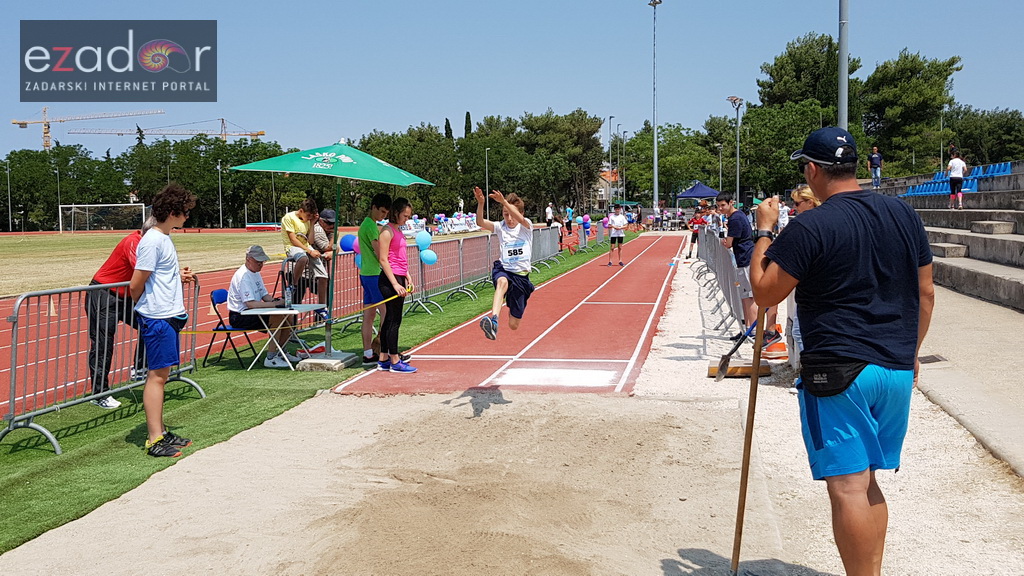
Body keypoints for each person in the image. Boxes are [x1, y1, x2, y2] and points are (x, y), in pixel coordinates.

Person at [750, 126, 934, 576]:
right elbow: (926, 293)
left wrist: (764, 231)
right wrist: (911, 350)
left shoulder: (813, 224)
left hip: (838, 368)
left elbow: (764, 292)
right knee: (867, 483)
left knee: (848, 487)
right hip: (893, 366)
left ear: (813, 170)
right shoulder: (903, 215)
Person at [129, 184, 197, 458]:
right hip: (157, 317)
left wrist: (176, 278)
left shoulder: (164, 239)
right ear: (172, 212)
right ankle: (154, 438)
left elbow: (156, 277)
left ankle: (161, 431)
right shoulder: (153, 240)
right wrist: (148, 307)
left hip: (167, 315)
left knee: (163, 376)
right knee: (156, 378)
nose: (187, 217)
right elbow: (136, 284)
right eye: (185, 212)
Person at [86, 218, 156, 409]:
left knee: (150, 323)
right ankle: (99, 393)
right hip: (103, 294)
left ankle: (140, 368)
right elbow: (142, 271)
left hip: (124, 296)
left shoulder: (149, 244)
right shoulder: (133, 242)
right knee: (103, 344)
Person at [716, 192, 782, 350]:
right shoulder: (734, 218)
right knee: (745, 295)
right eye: (718, 206)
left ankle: (752, 332)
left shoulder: (736, 218)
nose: (720, 209)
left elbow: (729, 243)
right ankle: (746, 328)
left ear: (731, 203)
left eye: (723, 205)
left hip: (746, 259)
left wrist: (724, 241)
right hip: (742, 258)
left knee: (749, 295)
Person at [474, 186, 534, 340]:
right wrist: (481, 203)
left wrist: (505, 202)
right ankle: (493, 320)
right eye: (505, 214)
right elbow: (480, 222)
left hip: (521, 277)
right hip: (504, 269)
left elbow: (519, 219)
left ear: (521, 214)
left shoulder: (526, 226)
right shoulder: (500, 227)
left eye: (511, 215)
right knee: (501, 282)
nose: (508, 218)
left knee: (514, 325)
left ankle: (510, 304)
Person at [227, 245, 300, 369]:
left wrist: (279, 302)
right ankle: (271, 358)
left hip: (251, 311)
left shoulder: (254, 272)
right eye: (258, 262)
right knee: (277, 318)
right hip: (239, 316)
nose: (260, 265)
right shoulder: (243, 276)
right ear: (248, 259)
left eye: (262, 262)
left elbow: (264, 295)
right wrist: (275, 304)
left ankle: (281, 352)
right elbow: (250, 304)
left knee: (288, 315)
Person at [376, 197, 417, 373]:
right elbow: (384, 259)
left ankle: (383, 357)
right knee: (394, 320)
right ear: (396, 212)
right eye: (405, 216)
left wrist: (408, 276)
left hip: (399, 276)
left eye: (408, 216)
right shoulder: (387, 231)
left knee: (390, 319)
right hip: (389, 280)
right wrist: (395, 284)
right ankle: (394, 360)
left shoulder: (397, 230)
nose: (406, 219)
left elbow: (399, 257)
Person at [358, 193, 390, 365]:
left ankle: (368, 353)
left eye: (386, 213)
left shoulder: (367, 224)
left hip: (366, 273)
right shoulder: (370, 226)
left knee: (369, 315)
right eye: (382, 212)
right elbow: (380, 254)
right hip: (374, 274)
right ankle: (385, 349)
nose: (384, 216)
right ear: (374, 207)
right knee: (386, 312)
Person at [281, 198, 321, 303]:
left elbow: (311, 241)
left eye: (311, 217)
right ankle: (293, 284)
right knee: (303, 258)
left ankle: (323, 306)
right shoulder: (289, 217)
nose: (308, 218)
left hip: (305, 246)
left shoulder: (308, 221)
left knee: (324, 275)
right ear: (301, 210)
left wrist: (312, 223)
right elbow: (293, 240)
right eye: (308, 216)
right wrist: (309, 251)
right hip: (292, 247)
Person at [310, 208, 336, 321]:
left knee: (326, 296)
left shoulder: (327, 231)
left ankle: (320, 321)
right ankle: (291, 330)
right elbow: (329, 248)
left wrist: (334, 250)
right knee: (295, 302)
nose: (332, 226)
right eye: (329, 223)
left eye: (334, 223)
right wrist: (334, 237)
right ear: (321, 221)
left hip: (316, 272)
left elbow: (333, 250)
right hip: (304, 272)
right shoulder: (319, 230)